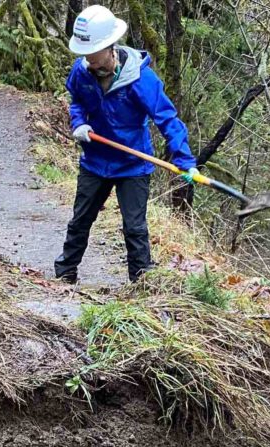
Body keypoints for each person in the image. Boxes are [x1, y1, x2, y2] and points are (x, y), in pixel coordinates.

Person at [55, 4, 200, 284]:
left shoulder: (141, 80)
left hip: (133, 164)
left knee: (134, 228)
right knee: (80, 221)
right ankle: (64, 275)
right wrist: (79, 124)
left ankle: (142, 282)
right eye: (83, 54)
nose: (87, 60)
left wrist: (185, 162)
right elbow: (77, 101)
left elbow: (168, 119)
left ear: (110, 46)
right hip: (95, 160)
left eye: (92, 53)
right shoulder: (81, 72)